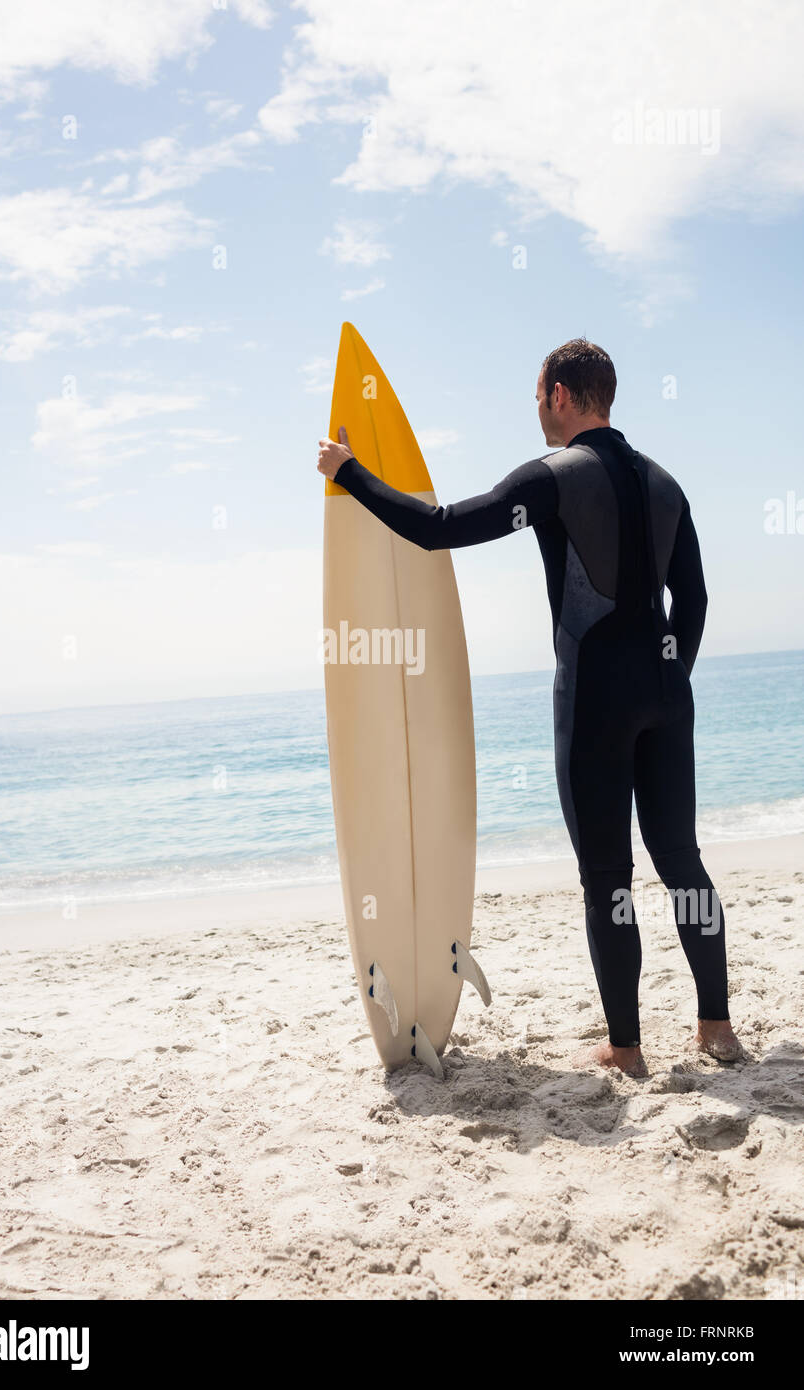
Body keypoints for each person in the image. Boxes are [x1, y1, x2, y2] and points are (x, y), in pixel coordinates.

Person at [317, 338, 742, 1077]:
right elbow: (695, 598)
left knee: (607, 877)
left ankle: (627, 1048)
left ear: (560, 395)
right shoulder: (664, 481)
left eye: (537, 394)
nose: (534, 408)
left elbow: (440, 527)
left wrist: (348, 473)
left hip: (596, 701)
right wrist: (671, 677)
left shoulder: (553, 479)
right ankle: (716, 1026)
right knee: (681, 862)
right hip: (670, 699)